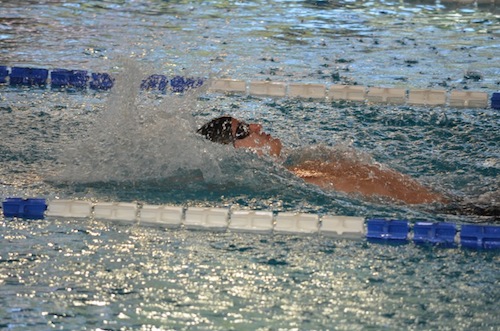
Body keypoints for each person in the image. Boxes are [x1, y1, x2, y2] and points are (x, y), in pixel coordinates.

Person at [197, 116, 448, 205]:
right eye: (242, 131)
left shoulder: (303, 165)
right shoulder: (298, 182)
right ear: (232, 154)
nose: (256, 125)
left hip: (452, 203)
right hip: (453, 212)